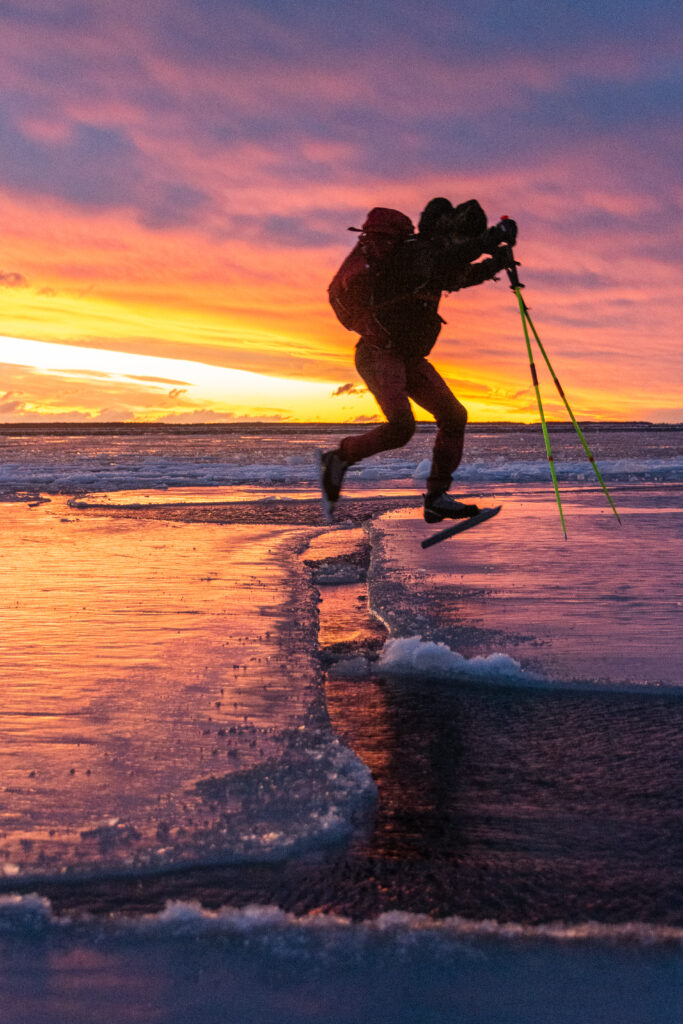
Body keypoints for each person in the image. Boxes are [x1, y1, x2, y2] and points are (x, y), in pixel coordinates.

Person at [321, 198, 517, 522]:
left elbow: (459, 274)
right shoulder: (414, 252)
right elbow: (448, 260)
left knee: (454, 416)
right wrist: (491, 239)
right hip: (378, 351)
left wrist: (496, 262)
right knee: (401, 428)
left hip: (406, 356)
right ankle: (339, 457)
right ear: (441, 228)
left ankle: (437, 498)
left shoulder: (433, 259)